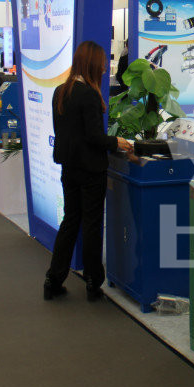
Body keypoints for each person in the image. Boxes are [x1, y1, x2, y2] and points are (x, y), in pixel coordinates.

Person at [44, 41, 133, 301]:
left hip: (69, 167)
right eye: (102, 64)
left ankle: (53, 278)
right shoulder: (89, 95)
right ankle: (93, 282)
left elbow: (67, 133)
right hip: (91, 169)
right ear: (92, 64)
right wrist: (116, 142)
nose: (105, 69)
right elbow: (94, 137)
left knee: (70, 221)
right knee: (92, 225)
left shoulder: (61, 91)